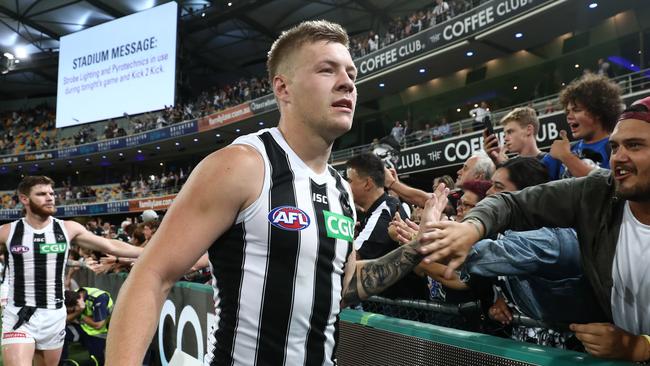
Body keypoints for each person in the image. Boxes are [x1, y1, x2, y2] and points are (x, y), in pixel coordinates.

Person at [106, 20, 447, 366]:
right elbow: (152, 274)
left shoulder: (342, 192)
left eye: (352, 75)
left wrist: (417, 248)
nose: (347, 83)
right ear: (283, 88)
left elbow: (342, 286)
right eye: (327, 70)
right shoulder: (242, 166)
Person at [417, 97, 650, 362]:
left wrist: (641, 346)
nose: (618, 157)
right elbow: (511, 204)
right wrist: (472, 227)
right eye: (614, 147)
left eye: (634, 145)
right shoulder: (599, 191)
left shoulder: (553, 239)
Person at [0, 176, 142, 366]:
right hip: (19, 314)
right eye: (42, 194)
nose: (50, 198)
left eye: (51, 193)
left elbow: (110, 244)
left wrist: (151, 251)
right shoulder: (8, 232)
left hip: (54, 315)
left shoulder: (68, 229)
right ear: (25, 199)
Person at [347, 153, 429, 300]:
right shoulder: (380, 208)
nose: (346, 186)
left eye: (350, 181)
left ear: (367, 183)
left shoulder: (385, 211)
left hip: (403, 312)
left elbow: (351, 260)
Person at [543, 73, 622, 180]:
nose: (569, 117)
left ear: (597, 112)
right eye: (567, 111)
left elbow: (610, 186)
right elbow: (530, 176)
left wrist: (566, 157)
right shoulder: (567, 149)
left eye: (576, 110)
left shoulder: (617, 148)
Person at [62, 288, 113, 365]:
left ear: (77, 303)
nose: (71, 313)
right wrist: (78, 311)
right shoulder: (74, 295)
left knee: (97, 361)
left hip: (99, 334)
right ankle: (62, 362)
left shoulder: (100, 298)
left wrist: (80, 315)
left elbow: (98, 325)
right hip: (83, 328)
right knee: (59, 332)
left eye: (72, 310)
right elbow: (64, 320)